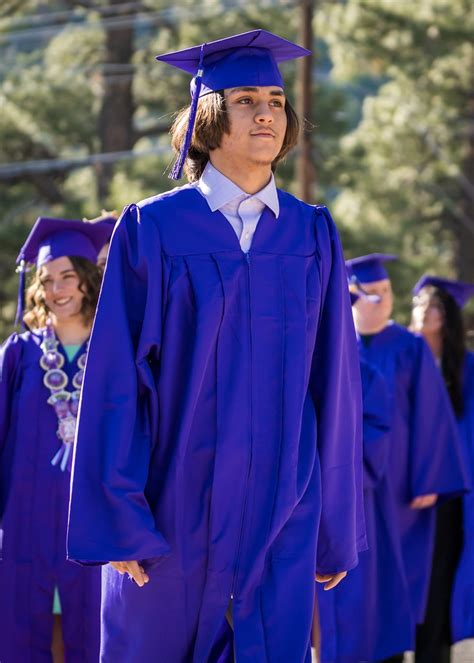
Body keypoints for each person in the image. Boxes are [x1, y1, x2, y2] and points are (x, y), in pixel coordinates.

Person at [67, 29, 366, 662]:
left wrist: (334, 523)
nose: (266, 113)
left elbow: (334, 383)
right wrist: (119, 519)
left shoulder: (312, 234)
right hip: (171, 511)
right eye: (245, 100)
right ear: (208, 116)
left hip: (282, 509)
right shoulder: (154, 228)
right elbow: (117, 380)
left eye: (277, 102)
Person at [346, 254, 469, 663]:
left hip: (400, 487)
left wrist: (430, 477)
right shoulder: (337, 345)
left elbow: (432, 416)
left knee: (403, 576)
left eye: (387, 293)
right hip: (355, 484)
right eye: (371, 294)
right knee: (355, 580)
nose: (382, 301)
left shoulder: (409, 347)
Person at [0, 217, 111, 662]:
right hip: (25, 521)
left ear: (87, 279)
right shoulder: (19, 353)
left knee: (95, 634)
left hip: (92, 517)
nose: (57, 289)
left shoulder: (113, 350)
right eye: (47, 280)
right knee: (19, 630)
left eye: (68, 276)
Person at [317, 290, 414, 662]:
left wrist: (332, 469)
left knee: (351, 605)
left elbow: (376, 431)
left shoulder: (362, 369)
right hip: (291, 503)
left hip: (344, 496)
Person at [411, 275, 474, 662]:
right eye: (418, 304)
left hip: (450, 490)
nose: (423, 310)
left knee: (442, 573)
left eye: (432, 304)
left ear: (446, 315)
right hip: (408, 488)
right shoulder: (402, 355)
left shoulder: (465, 368)